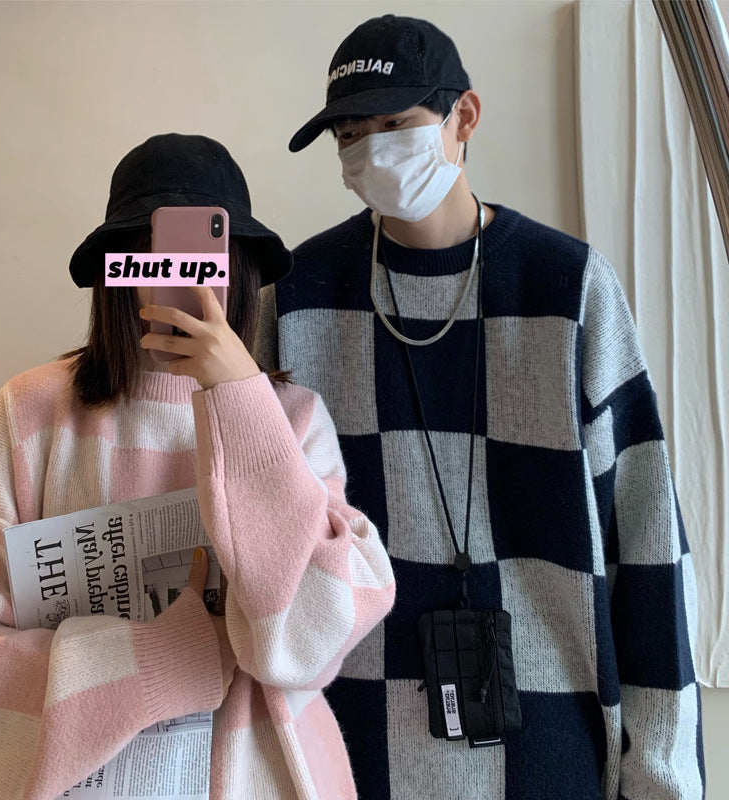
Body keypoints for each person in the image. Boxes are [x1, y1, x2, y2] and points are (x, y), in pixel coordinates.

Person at [254, 14, 705, 800]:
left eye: (394, 125)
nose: (370, 153)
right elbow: (258, 536)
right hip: (344, 751)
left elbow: (649, 546)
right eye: (350, 136)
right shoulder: (299, 296)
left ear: (464, 116)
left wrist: (662, 779)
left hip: (551, 753)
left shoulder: (568, 288)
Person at [0, 133, 395, 800]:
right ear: (116, 270)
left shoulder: (292, 420)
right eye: (152, 256)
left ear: (240, 272)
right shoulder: (30, 412)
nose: (180, 278)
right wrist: (158, 659)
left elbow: (307, 643)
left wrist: (239, 398)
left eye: (206, 258)